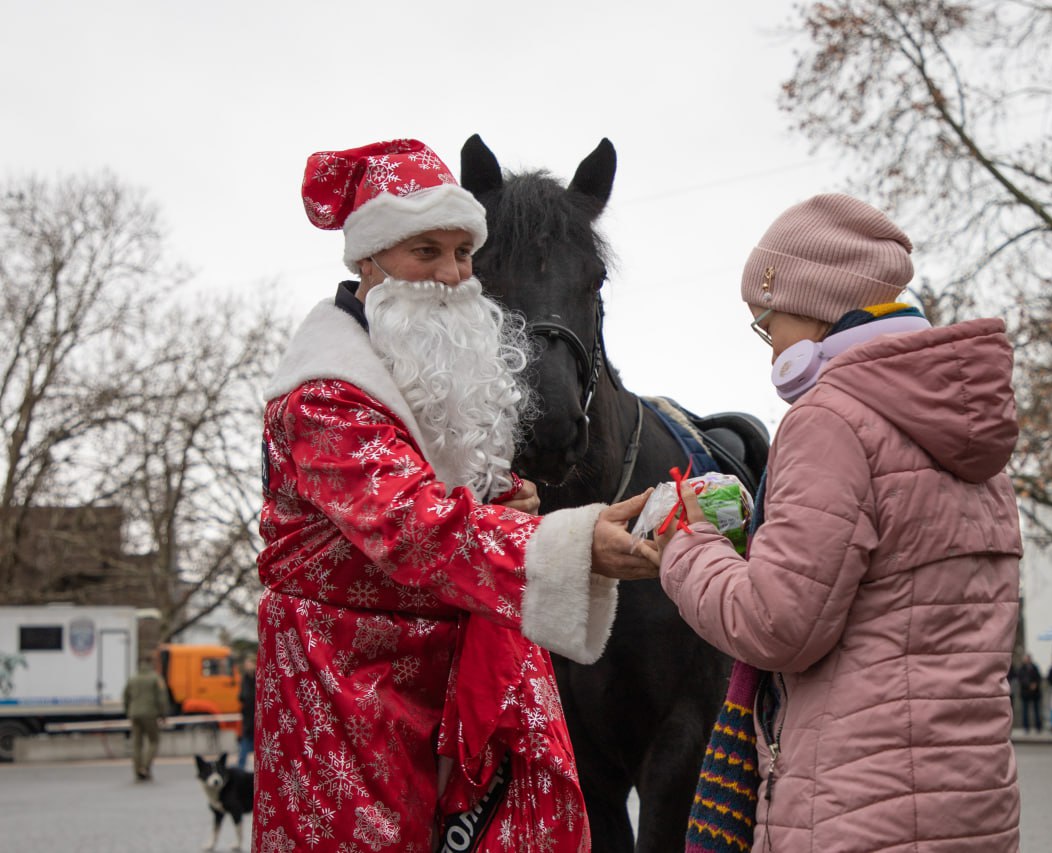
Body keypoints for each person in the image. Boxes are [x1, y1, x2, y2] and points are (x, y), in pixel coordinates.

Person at [254, 138, 657, 852]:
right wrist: (570, 542)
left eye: (464, 253)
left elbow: (448, 480)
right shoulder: (322, 397)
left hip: (449, 682)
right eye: (427, 253)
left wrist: (509, 496)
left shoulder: (423, 366)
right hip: (346, 690)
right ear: (368, 262)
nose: (452, 275)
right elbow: (413, 524)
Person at [654, 194, 1023, 851]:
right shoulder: (970, 437)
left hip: (857, 811)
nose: (769, 353)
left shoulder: (830, 421)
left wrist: (686, 540)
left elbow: (776, 624)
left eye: (767, 327)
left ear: (816, 311)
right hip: (971, 805)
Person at [122, 653, 169, 781]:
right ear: (151, 663)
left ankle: (137, 770)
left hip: (134, 713)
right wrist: (163, 714)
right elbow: (162, 698)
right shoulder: (155, 678)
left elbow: (125, 696)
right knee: (154, 741)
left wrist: (128, 711)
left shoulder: (133, 678)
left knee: (137, 744)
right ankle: (146, 767)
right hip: (150, 714)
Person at [236, 654, 255, 769]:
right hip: (248, 717)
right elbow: (242, 696)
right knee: (245, 743)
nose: (248, 667)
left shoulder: (258, 678)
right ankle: (240, 767)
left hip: (256, 717)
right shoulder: (245, 680)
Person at [1019, 653, 1044, 734]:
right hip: (1025, 692)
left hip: (1035, 693)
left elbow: (1038, 678)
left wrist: (1035, 684)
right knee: (1025, 711)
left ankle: (1038, 727)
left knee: (1036, 710)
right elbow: (1021, 679)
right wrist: (1029, 685)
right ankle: (1026, 727)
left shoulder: (1035, 667)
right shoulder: (1022, 669)